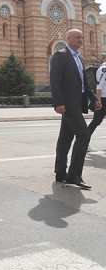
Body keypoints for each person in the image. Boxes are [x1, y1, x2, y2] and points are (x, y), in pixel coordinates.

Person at [50, 29, 100, 189]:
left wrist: (94, 98)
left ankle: (60, 173)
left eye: (82, 37)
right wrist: (58, 102)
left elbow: (85, 84)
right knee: (84, 135)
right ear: (68, 39)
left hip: (78, 104)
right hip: (68, 104)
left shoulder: (79, 58)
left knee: (65, 138)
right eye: (77, 37)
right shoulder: (61, 56)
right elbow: (55, 81)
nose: (80, 39)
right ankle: (74, 175)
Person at [87, 57, 106, 137]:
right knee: (96, 121)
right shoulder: (103, 69)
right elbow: (99, 86)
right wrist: (98, 100)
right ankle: (84, 141)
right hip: (103, 98)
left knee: (96, 121)